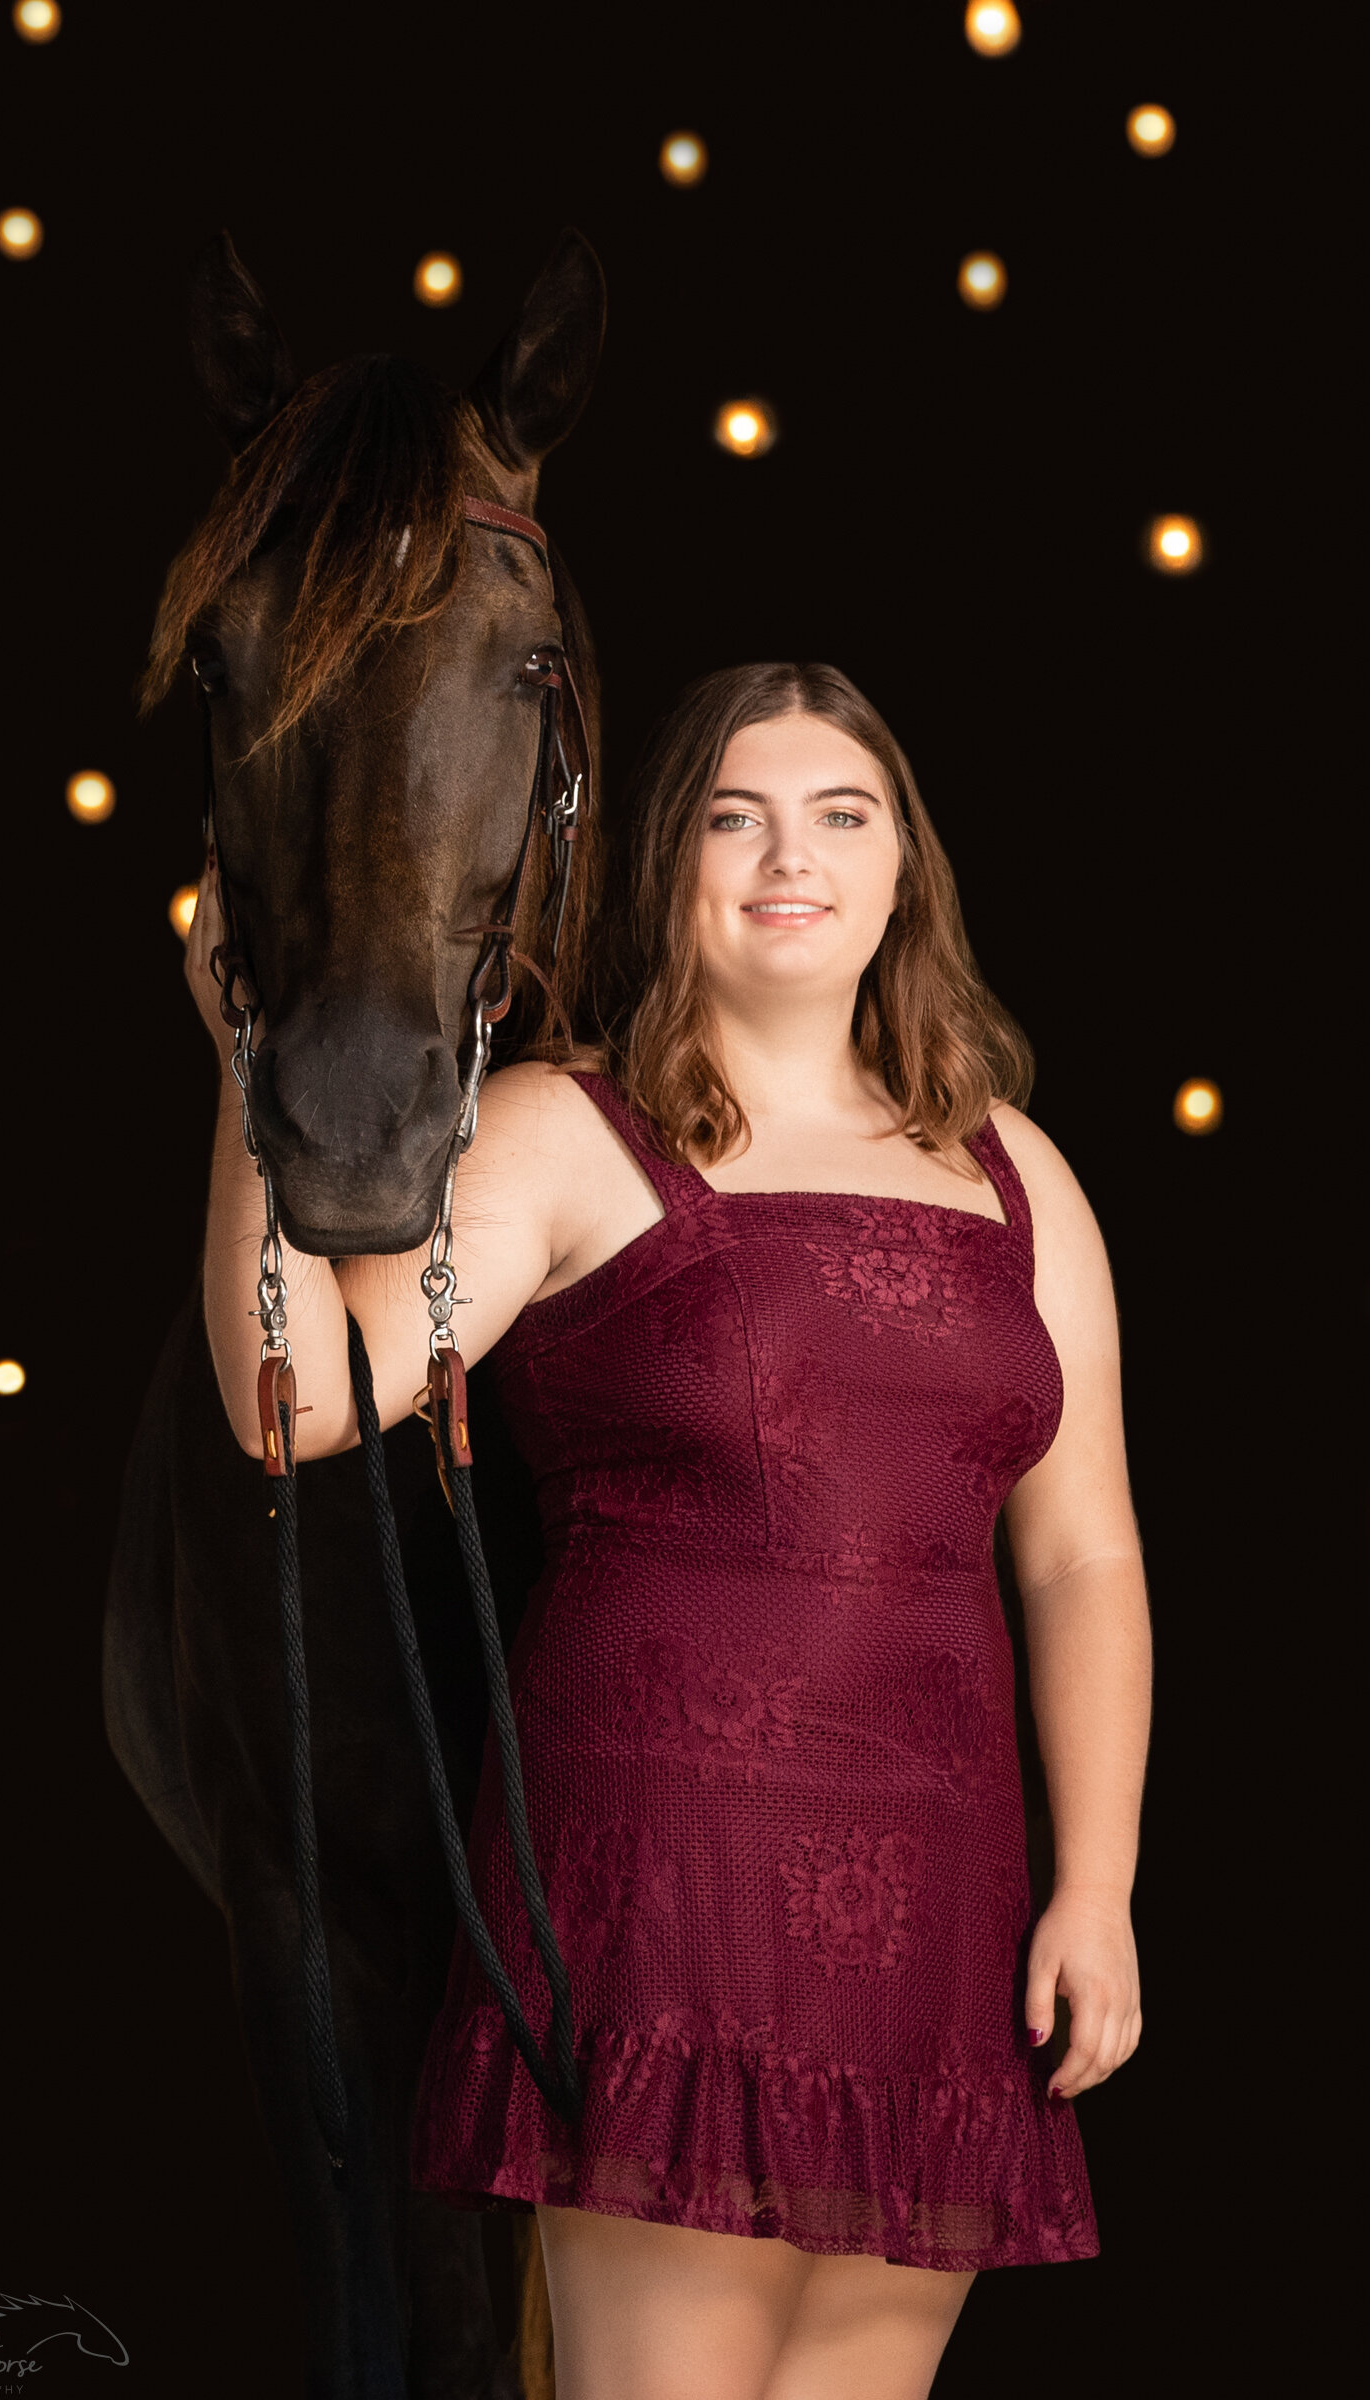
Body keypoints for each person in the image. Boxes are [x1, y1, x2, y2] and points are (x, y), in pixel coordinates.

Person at [190, 662, 1150, 2400]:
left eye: (840, 815)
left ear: (901, 868)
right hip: (665, 1883)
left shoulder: (1017, 1170)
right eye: (736, 817)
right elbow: (301, 1402)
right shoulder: (569, 1130)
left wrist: (1100, 1886)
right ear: (668, 866)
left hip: (941, 1905)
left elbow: (1083, 1555)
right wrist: (248, 1081)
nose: (793, 856)